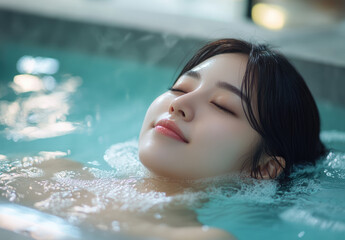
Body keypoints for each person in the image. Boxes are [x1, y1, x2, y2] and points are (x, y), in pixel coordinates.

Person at [0, 38, 326, 240]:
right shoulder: (50, 170)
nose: (179, 104)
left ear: (264, 169)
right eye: (181, 88)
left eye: (221, 106)